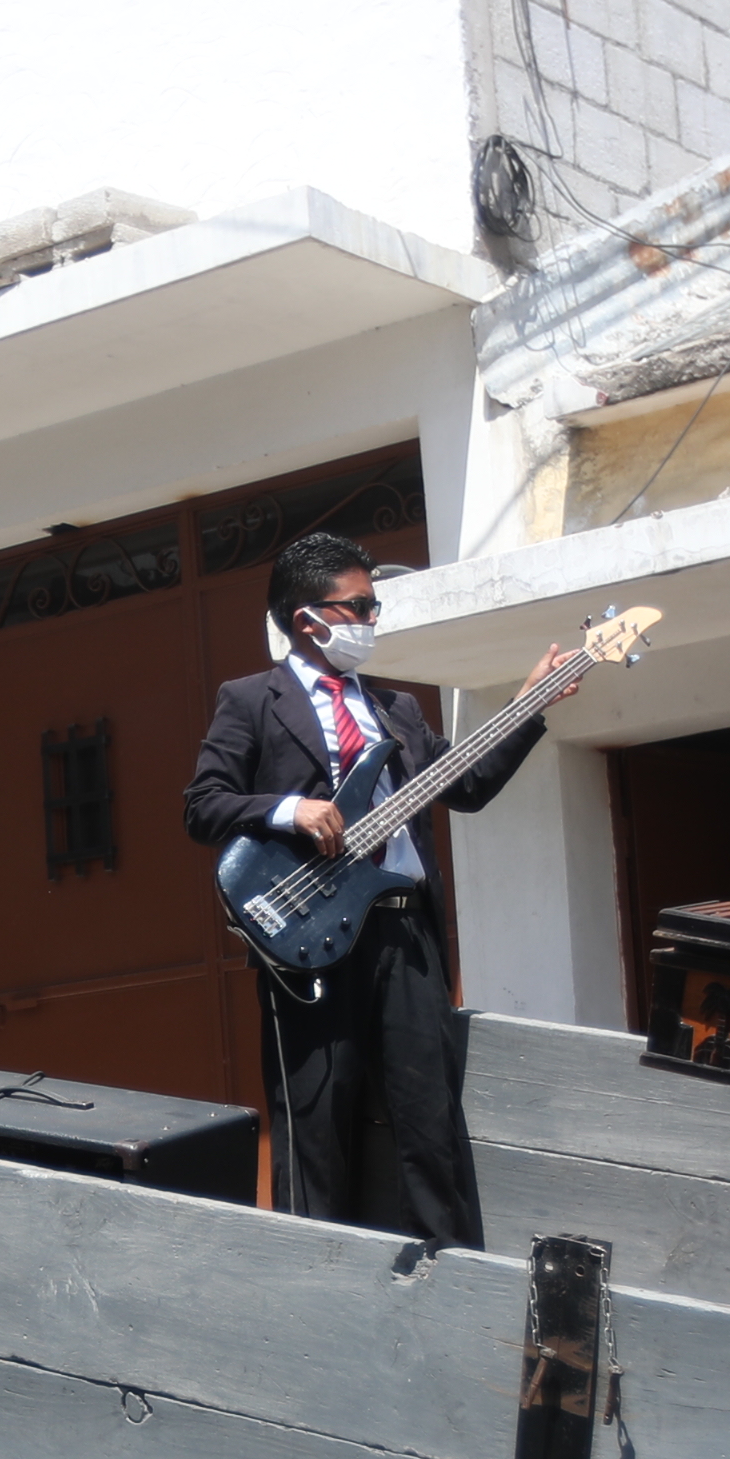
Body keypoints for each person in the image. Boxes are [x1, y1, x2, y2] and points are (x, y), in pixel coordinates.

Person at [183, 530, 547, 1247]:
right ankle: (314, 1273)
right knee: (316, 1120)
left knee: (429, 1118)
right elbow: (204, 805)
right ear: (307, 619)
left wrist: (527, 706)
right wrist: (291, 809)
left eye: (373, 606)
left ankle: (447, 1269)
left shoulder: (396, 710)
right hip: (307, 933)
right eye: (359, 607)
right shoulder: (252, 700)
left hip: (404, 933)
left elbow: (468, 784)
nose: (372, 619)